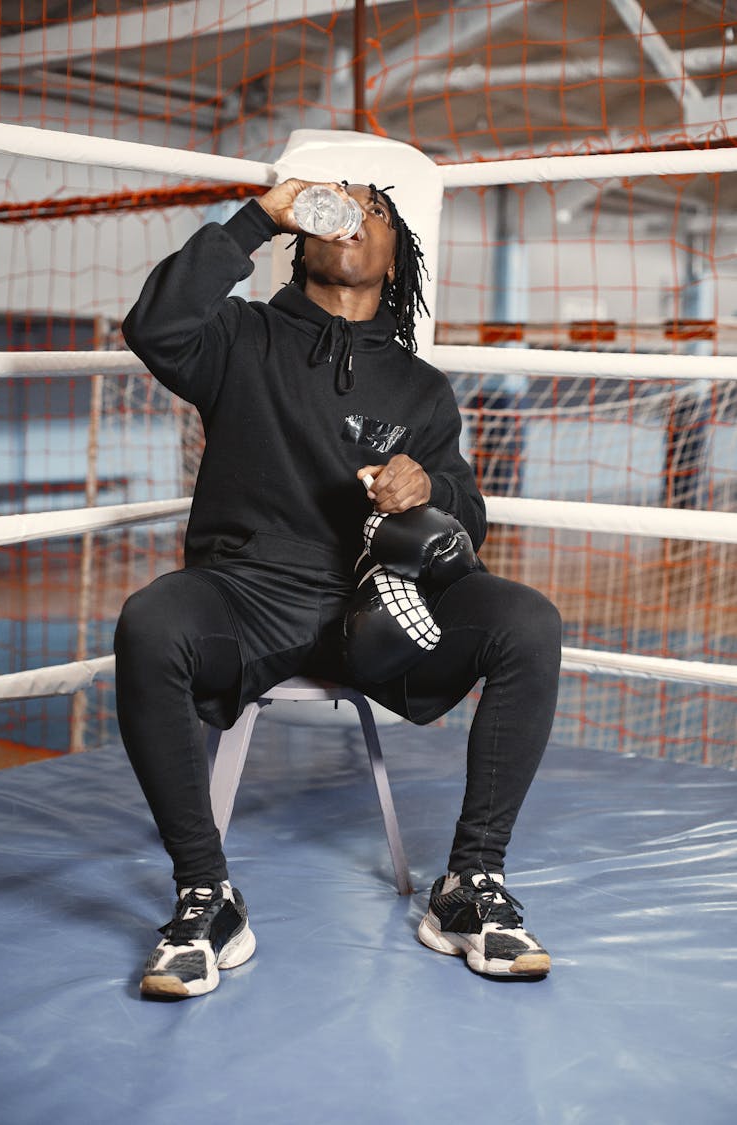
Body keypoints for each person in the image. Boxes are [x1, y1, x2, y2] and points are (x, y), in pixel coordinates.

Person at [116, 178, 562, 999]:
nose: (354, 217)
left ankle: (471, 883)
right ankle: (205, 894)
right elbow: (154, 325)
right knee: (150, 620)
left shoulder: (422, 389)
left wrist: (427, 487)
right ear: (304, 234)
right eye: (338, 205)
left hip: (379, 606)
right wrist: (256, 216)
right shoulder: (241, 336)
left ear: (398, 256)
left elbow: (469, 519)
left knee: (527, 620)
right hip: (248, 596)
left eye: (375, 210)